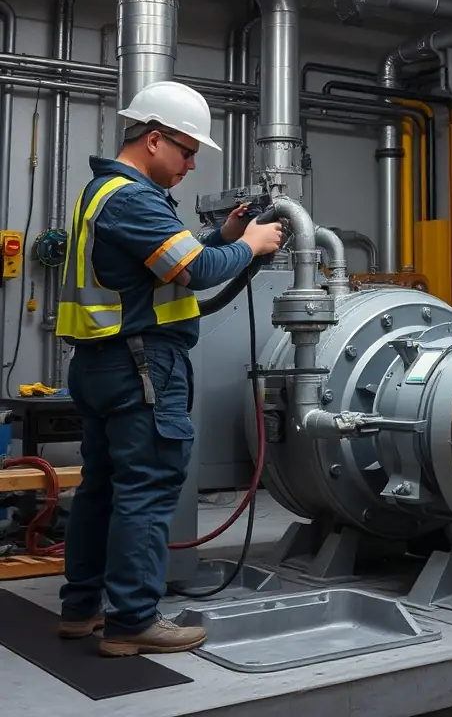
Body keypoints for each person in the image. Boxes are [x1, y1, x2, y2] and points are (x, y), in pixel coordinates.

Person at [55, 81, 282, 658]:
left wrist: (225, 236)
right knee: (146, 491)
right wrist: (251, 245)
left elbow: (167, 266)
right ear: (153, 139)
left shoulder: (102, 192)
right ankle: (133, 620)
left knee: (103, 489)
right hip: (142, 367)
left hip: (103, 363)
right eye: (186, 151)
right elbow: (199, 272)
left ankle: (82, 608)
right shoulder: (134, 199)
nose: (190, 164)